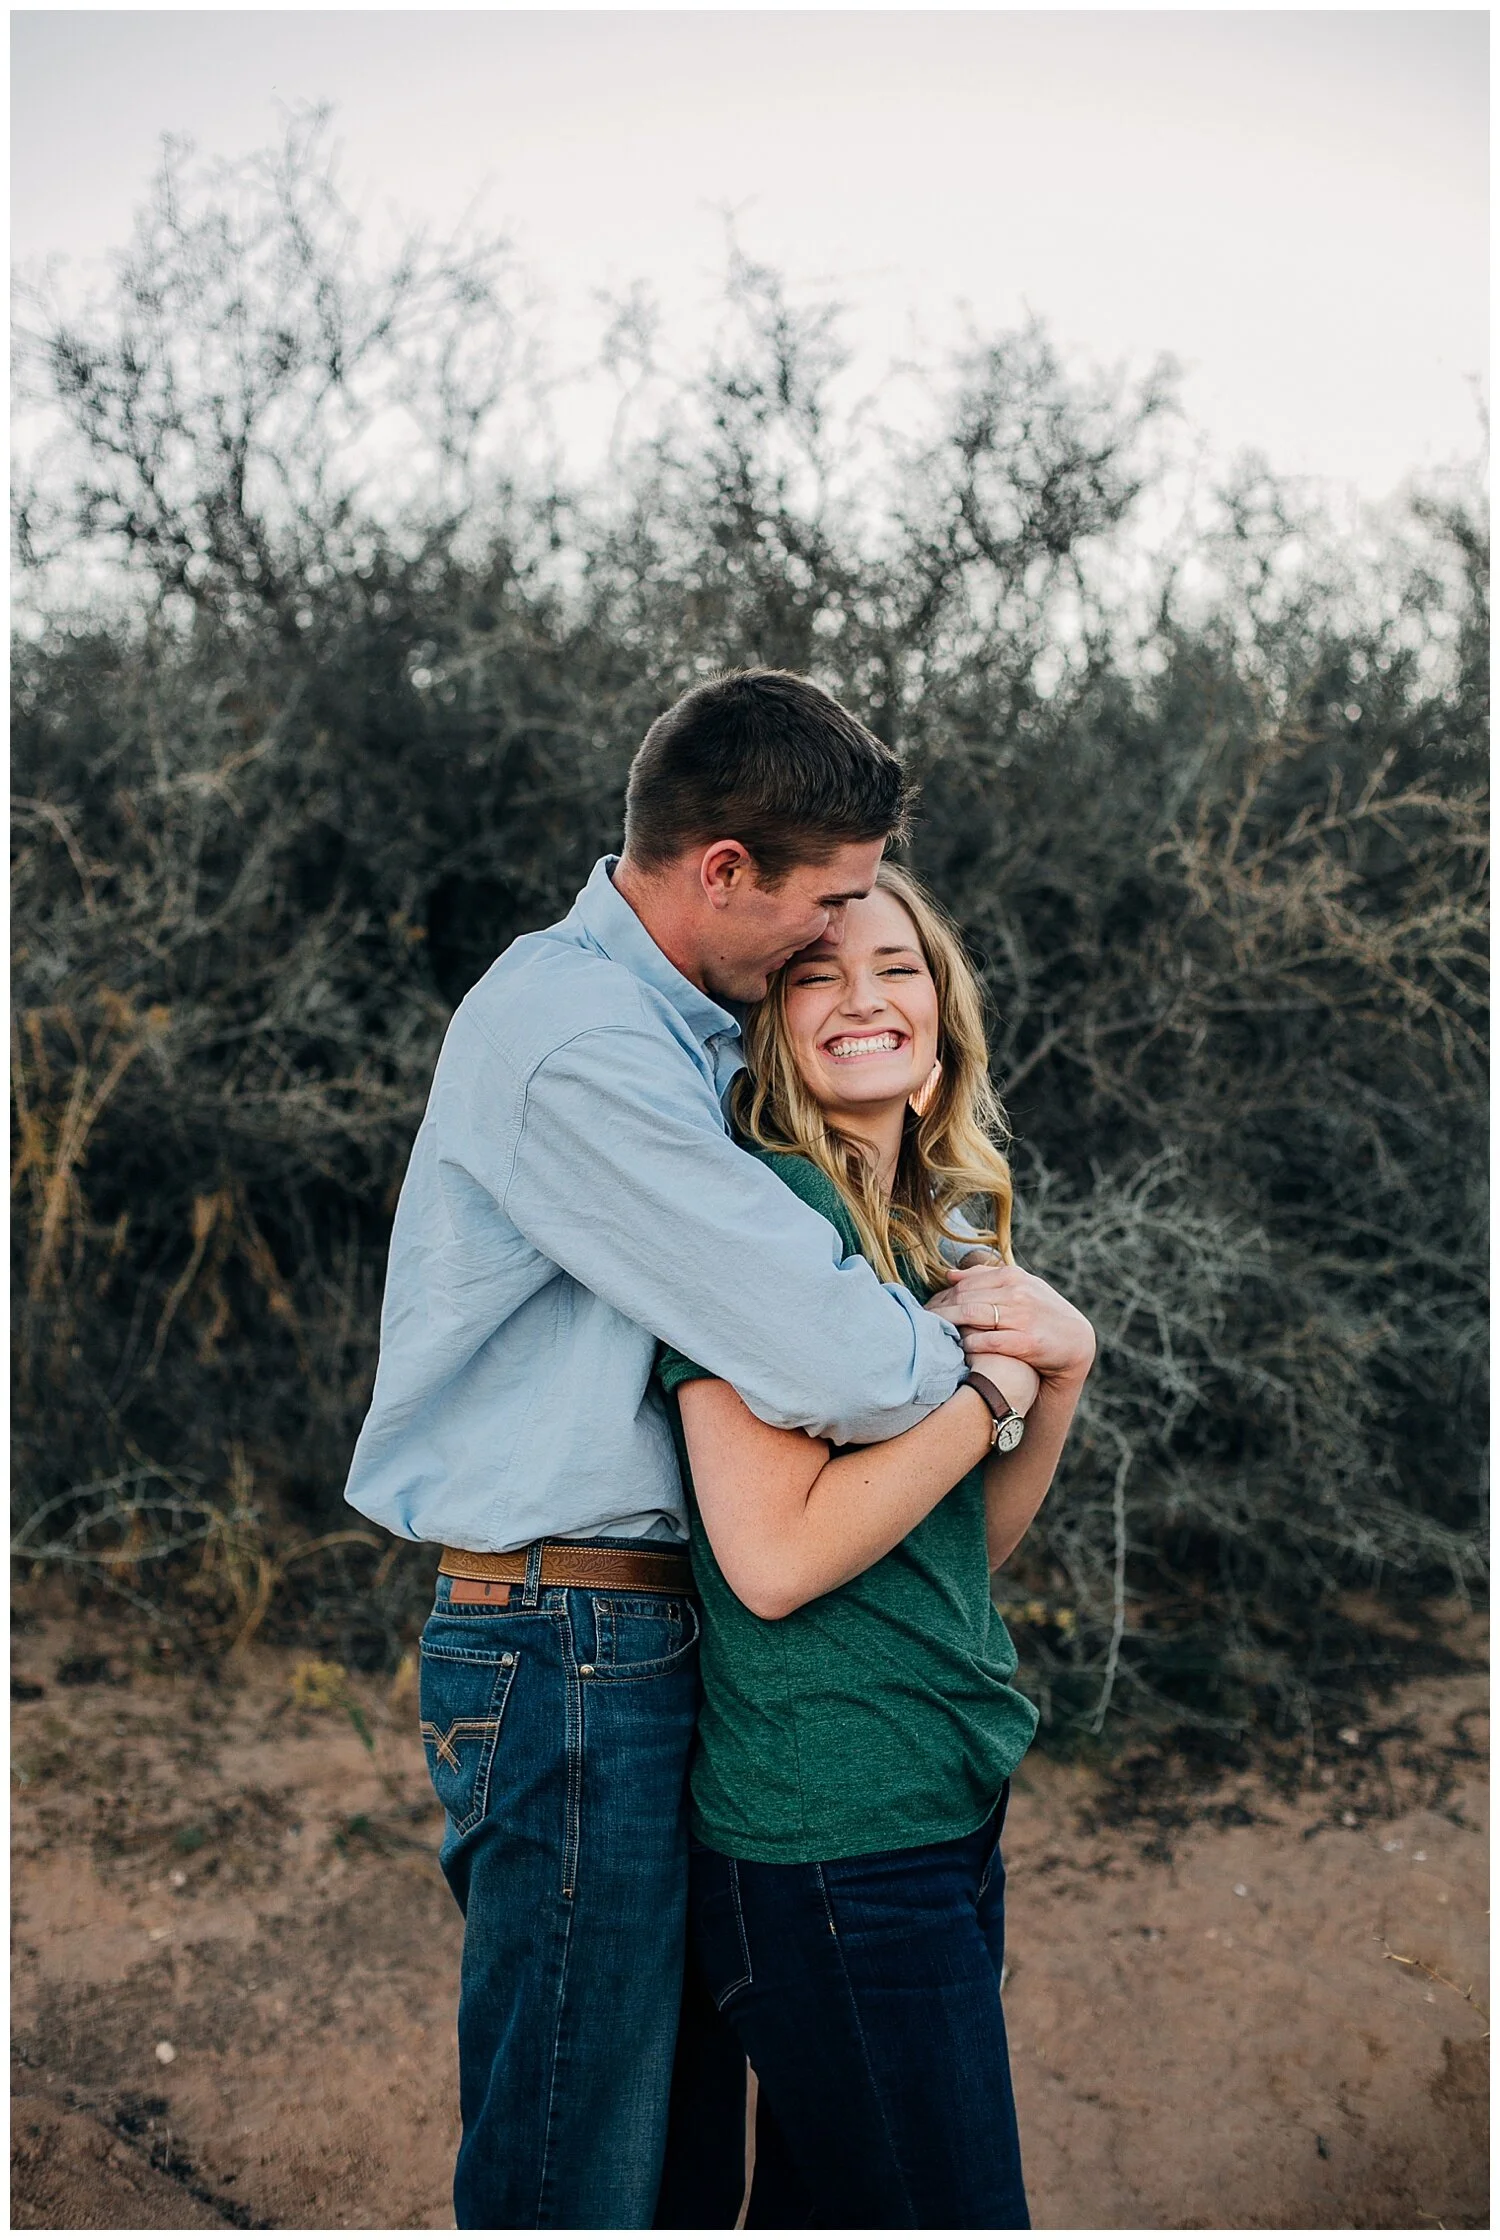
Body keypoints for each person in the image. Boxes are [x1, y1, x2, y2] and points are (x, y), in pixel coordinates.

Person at [342, 669, 1071, 2230]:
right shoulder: (578, 1038)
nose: (837, 943)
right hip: (562, 1635)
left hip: (642, 1636)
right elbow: (837, 1362)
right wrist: (992, 1374)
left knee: (672, 2158)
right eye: (829, 907)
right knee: (576, 2156)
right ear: (723, 869)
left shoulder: (682, 1036)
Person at [652, 862, 1095, 2230]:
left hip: (945, 1798)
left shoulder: (934, 1224)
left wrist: (1058, 1380)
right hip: (831, 1833)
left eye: (897, 967)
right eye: (814, 974)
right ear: (769, 1022)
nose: (864, 998)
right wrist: (987, 1399)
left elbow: (967, 1547)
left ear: (942, 1009)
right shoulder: (762, 1219)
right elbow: (774, 1559)